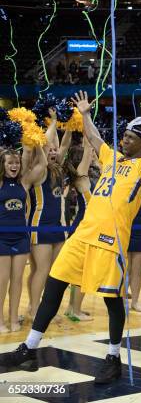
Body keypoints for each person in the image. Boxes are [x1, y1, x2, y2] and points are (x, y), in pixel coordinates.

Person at [0, 80, 141, 383]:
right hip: (82, 235)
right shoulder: (112, 157)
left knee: (111, 300)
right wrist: (85, 114)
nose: (123, 140)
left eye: (129, 137)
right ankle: (30, 349)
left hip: (110, 242)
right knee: (55, 284)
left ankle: (112, 356)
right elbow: (96, 137)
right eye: (123, 136)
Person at [27, 109, 71, 318]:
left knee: (54, 272)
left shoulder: (58, 169)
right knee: (40, 270)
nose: (53, 152)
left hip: (59, 228)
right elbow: (45, 143)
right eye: (49, 150)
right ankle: (34, 308)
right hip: (40, 227)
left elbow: (64, 144)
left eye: (55, 151)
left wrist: (72, 124)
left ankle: (46, 308)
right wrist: (53, 122)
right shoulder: (40, 170)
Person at [0, 146, 47, 333]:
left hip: (20, 238)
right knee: (2, 281)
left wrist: (36, 143)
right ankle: (0, 321)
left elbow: (42, 164)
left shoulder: (24, 182)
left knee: (17, 280)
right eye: (10, 162)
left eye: (17, 162)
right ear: (3, 164)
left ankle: (13, 319)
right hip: (1, 238)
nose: (14, 165)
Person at [63, 137, 94, 321]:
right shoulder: (81, 175)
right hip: (84, 227)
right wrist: (84, 119)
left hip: (82, 225)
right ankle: (76, 310)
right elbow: (90, 148)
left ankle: (71, 308)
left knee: (78, 272)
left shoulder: (84, 177)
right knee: (82, 272)